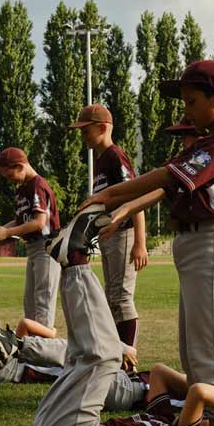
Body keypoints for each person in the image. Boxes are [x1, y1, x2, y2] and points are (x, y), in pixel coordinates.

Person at [82, 59, 214, 426]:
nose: (186, 111)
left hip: (211, 241)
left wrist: (111, 196)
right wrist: (122, 206)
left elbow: (165, 178)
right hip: (195, 242)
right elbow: (164, 186)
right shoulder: (209, 141)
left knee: (209, 350)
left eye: (193, 102)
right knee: (196, 350)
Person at [73, 104, 149, 349]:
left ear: (103, 128)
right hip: (108, 235)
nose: (83, 135)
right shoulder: (101, 158)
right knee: (112, 298)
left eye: (86, 130)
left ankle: (129, 358)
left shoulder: (115, 155)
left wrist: (140, 243)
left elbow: (137, 195)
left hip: (124, 232)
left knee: (121, 298)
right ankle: (118, 353)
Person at [0, 147, 62, 328]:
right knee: (30, 302)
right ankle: (33, 343)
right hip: (34, 249)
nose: (8, 179)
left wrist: (6, 233)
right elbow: (19, 221)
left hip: (46, 247)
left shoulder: (36, 184)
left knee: (42, 301)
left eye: (9, 175)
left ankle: (43, 348)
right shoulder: (22, 189)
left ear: (20, 166)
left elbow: (39, 222)